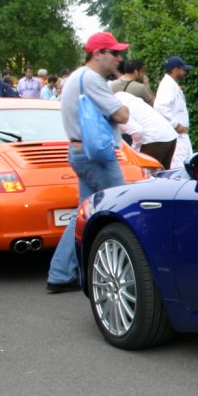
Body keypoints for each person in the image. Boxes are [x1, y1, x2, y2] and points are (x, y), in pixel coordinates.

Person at [45, 31, 130, 293]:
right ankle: (130, 271)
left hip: (81, 151)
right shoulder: (92, 79)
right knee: (121, 210)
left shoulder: (76, 77)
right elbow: (122, 114)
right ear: (97, 54)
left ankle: (60, 274)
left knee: (83, 213)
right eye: (114, 53)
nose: (119, 58)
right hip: (97, 156)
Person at [113, 91, 178, 169]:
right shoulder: (121, 95)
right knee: (164, 176)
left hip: (153, 138)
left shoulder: (112, 109)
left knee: (144, 177)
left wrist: (134, 152)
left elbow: (137, 131)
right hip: (169, 134)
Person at [154, 56, 193, 168]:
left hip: (180, 136)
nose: (184, 72)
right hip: (177, 135)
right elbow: (160, 107)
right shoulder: (167, 86)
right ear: (175, 69)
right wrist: (176, 124)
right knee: (179, 168)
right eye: (183, 69)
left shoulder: (171, 84)